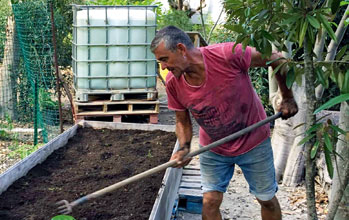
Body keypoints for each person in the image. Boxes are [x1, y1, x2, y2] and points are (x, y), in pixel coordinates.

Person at [150, 26, 298, 220]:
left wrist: (286, 96)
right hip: (213, 147)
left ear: (181, 49)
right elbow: (182, 121)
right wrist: (184, 147)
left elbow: (275, 58)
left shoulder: (226, 55)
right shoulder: (173, 83)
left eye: (164, 59)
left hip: (253, 142)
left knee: (266, 199)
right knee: (210, 201)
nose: (163, 67)